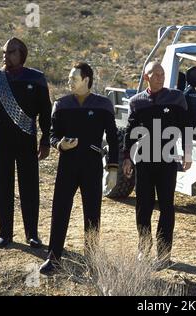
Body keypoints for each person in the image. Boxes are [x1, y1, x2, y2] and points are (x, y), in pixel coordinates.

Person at [39, 62, 119, 274]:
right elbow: (52, 134)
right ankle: (53, 257)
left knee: (92, 214)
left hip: (92, 166)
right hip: (67, 165)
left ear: (86, 80)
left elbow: (113, 138)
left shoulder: (103, 105)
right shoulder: (61, 104)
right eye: (69, 78)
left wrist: (113, 168)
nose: (69, 81)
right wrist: (59, 144)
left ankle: (92, 262)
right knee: (60, 211)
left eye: (73, 78)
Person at [0, 37, 51, 249]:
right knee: (3, 186)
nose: (5, 56)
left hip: (27, 139)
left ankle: (32, 234)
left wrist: (45, 141)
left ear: (21, 55)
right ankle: (5, 233)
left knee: (29, 187)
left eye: (10, 52)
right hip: (1, 140)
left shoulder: (36, 79)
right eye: (4, 52)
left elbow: (45, 113)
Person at [122, 61, 192, 270]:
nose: (161, 77)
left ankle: (164, 255)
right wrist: (127, 157)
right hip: (144, 162)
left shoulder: (176, 98)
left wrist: (187, 152)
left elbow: (186, 126)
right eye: (156, 74)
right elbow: (129, 131)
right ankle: (144, 249)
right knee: (143, 207)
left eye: (163, 74)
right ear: (146, 77)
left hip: (167, 161)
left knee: (167, 207)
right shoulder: (136, 102)